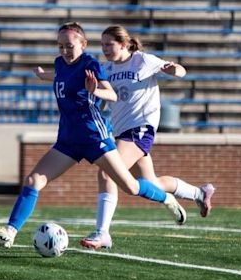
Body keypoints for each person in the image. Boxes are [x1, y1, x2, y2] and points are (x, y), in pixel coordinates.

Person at [0, 22, 186, 248]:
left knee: (131, 187)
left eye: (69, 45)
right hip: (68, 139)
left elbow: (112, 95)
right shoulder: (60, 63)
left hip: (94, 137)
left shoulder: (91, 63)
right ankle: (9, 232)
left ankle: (166, 198)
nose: (64, 50)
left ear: (83, 44)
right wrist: (43, 75)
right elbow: (61, 75)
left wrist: (94, 89)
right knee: (33, 180)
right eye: (60, 46)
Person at [80, 25, 215, 250]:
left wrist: (175, 69)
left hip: (140, 129)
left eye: (109, 44)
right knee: (152, 183)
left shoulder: (142, 60)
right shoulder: (107, 68)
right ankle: (199, 193)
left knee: (107, 172)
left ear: (123, 44)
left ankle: (102, 233)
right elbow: (104, 99)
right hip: (121, 132)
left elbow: (179, 70)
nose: (105, 49)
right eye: (102, 44)